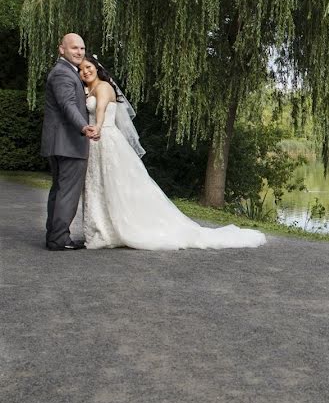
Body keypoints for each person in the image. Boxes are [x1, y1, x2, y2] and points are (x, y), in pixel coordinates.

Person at [79, 56, 266, 250]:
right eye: (81, 69)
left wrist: (98, 127)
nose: (86, 71)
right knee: (98, 184)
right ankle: (103, 228)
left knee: (114, 183)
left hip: (105, 137)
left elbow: (100, 109)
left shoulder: (103, 87)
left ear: (97, 67)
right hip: (95, 142)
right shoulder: (89, 89)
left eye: (89, 66)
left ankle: (118, 228)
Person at [41, 33, 99, 250]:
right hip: (69, 143)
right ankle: (59, 239)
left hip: (60, 143)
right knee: (67, 192)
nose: (79, 52)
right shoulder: (63, 73)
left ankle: (55, 236)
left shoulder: (65, 72)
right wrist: (84, 127)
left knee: (59, 190)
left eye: (82, 49)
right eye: (74, 48)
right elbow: (68, 106)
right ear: (61, 49)